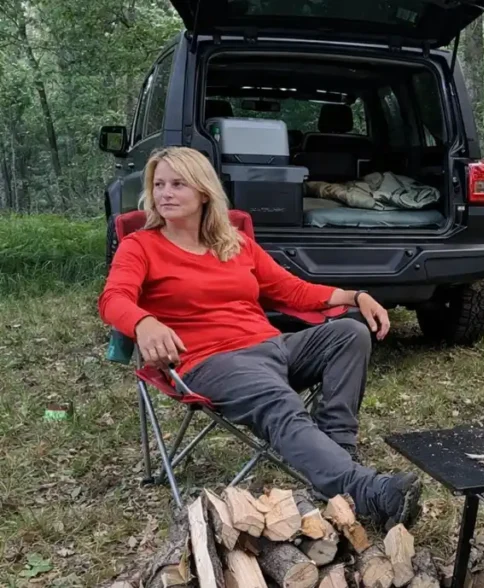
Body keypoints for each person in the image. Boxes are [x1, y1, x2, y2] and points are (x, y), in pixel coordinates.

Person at [98, 146, 421, 530]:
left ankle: (337, 451)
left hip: (270, 347)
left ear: (204, 192)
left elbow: (292, 290)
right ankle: (365, 491)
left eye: (178, 184)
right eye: (159, 184)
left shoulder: (233, 243)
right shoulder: (142, 246)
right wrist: (143, 322)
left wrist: (355, 296)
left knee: (349, 333)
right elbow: (113, 298)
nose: (165, 193)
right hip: (210, 362)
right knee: (277, 398)